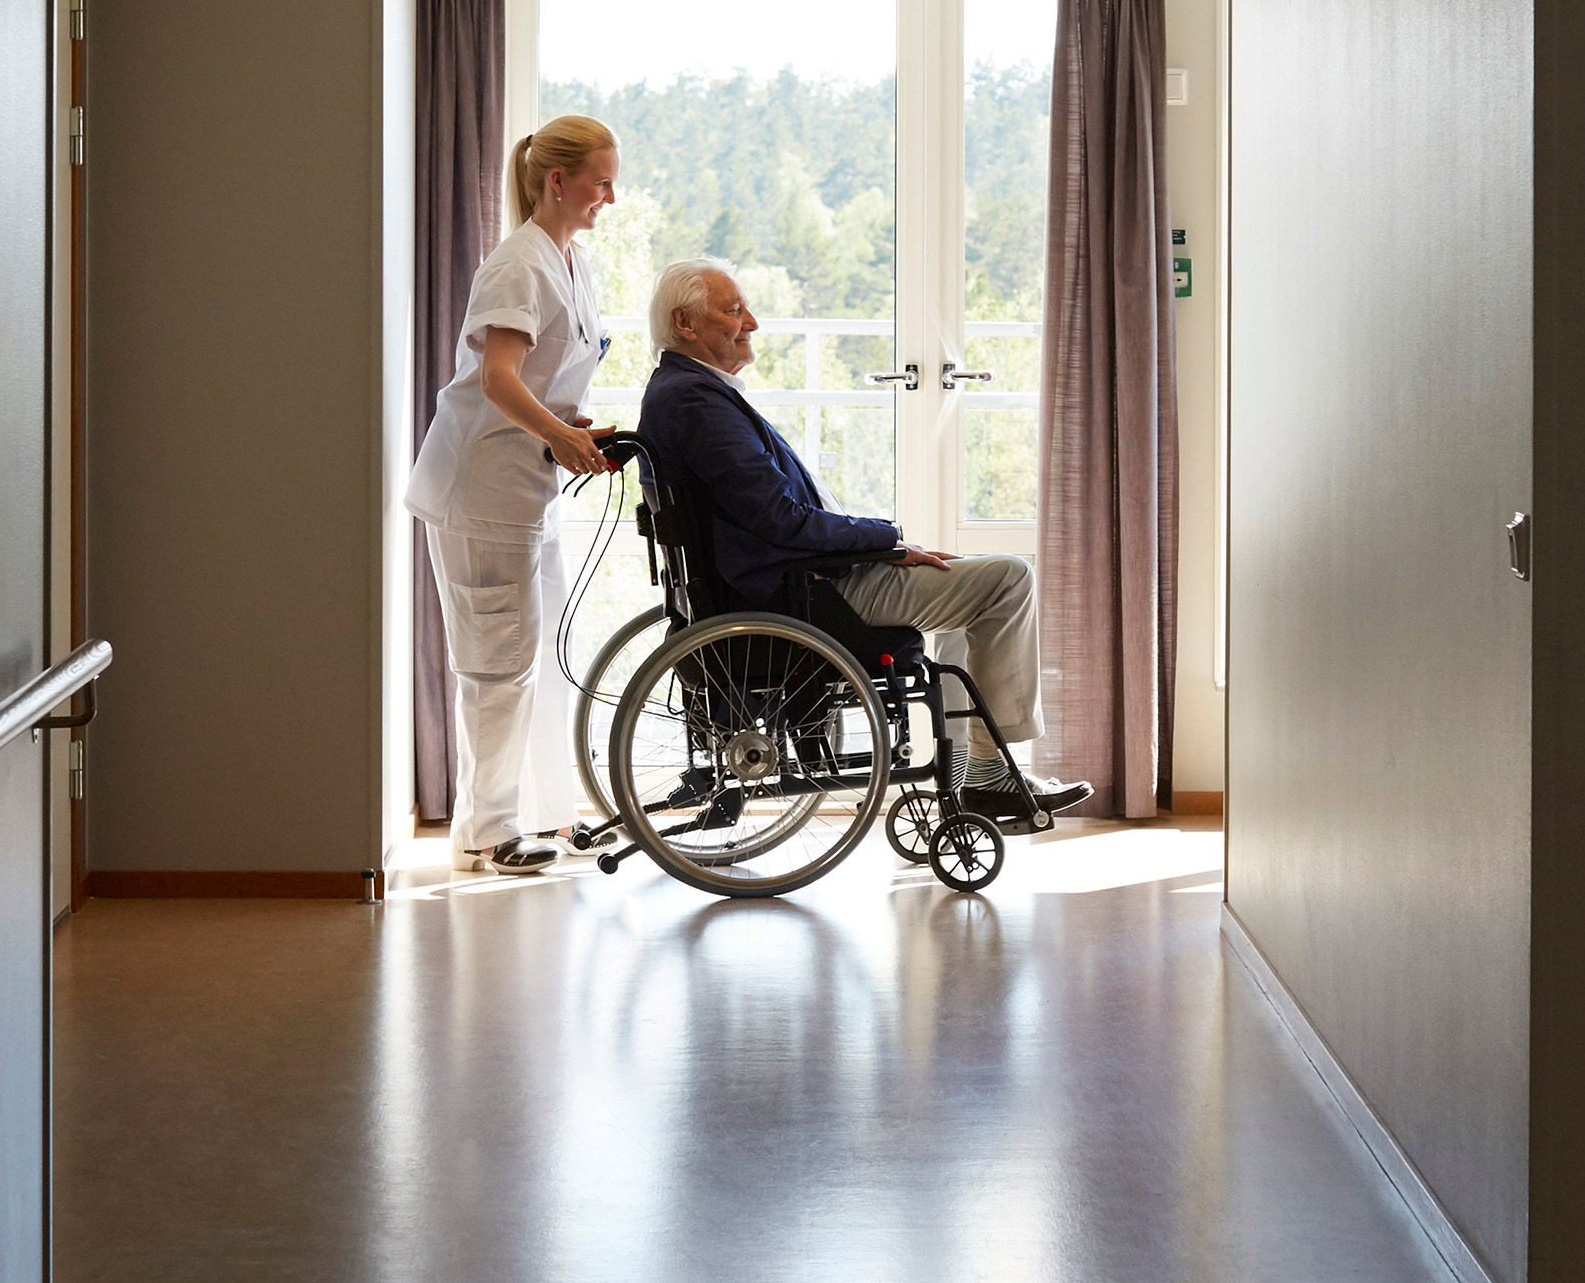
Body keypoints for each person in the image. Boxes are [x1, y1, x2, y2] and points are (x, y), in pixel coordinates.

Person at [633, 258, 1092, 829]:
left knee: (969, 594)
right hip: (804, 594)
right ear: (685, 323)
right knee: (1007, 581)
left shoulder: (683, 392)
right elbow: (780, 520)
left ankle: (975, 773)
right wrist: (888, 540)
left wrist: (885, 548)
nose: (751, 322)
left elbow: (771, 516)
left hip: (793, 582)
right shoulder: (696, 402)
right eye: (733, 311)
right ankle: (988, 775)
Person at [405, 115, 620, 875]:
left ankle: (546, 814)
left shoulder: (571, 260)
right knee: (498, 663)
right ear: (557, 180)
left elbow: (538, 375)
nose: (611, 196)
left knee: (541, 650)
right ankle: (487, 834)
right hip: (482, 490)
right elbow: (497, 378)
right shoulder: (517, 263)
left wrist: (567, 421)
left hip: (528, 484)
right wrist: (559, 436)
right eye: (601, 181)